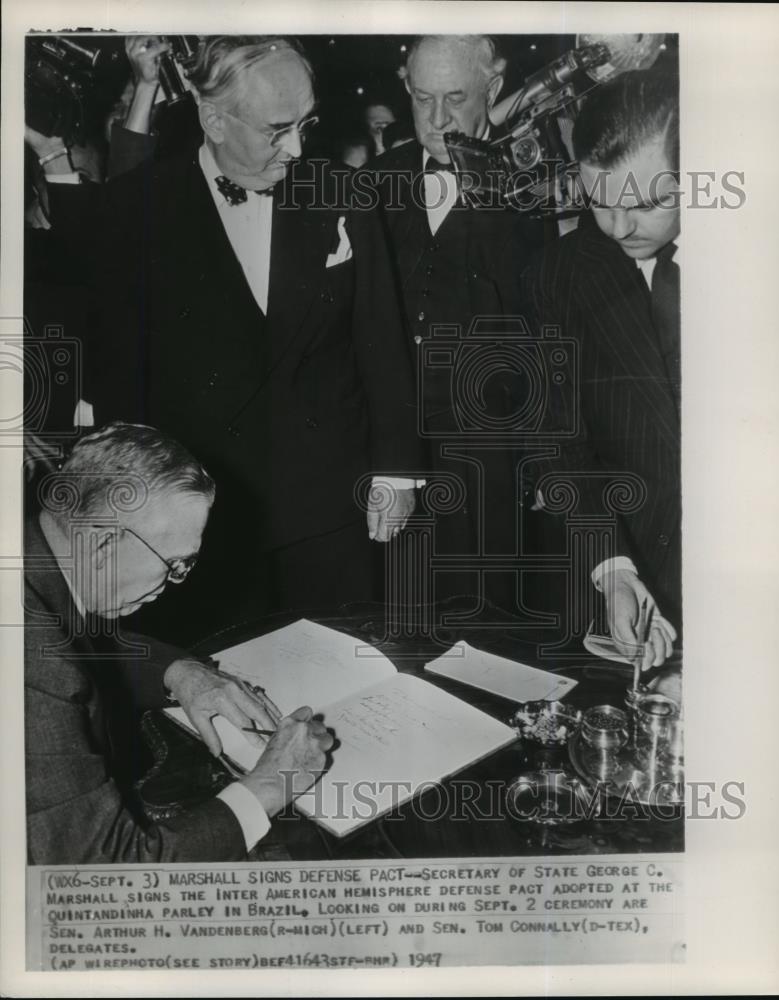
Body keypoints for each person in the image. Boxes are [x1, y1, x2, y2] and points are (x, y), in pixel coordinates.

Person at [47, 35, 421, 643]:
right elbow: (119, 370)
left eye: (307, 123)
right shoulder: (134, 209)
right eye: (277, 129)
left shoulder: (343, 191)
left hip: (329, 500)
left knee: (349, 675)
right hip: (201, 519)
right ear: (213, 118)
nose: (298, 148)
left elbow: (382, 334)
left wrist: (398, 473)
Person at [25, 422, 333, 864]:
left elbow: (78, 639)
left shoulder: (32, 555)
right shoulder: (33, 664)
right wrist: (272, 783)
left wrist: (180, 672)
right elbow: (109, 869)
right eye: (173, 563)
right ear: (101, 543)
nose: (175, 582)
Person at [366, 35, 552, 611]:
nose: (437, 118)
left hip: (490, 452)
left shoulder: (538, 185)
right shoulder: (375, 178)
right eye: (422, 98)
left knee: (486, 620)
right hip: (389, 447)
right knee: (392, 615)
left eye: (455, 97)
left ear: (493, 90)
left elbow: (548, 335)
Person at [522, 68, 680, 669]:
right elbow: (557, 442)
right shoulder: (557, 275)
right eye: (599, 202)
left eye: (645, 203)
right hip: (622, 579)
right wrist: (612, 568)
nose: (618, 228)